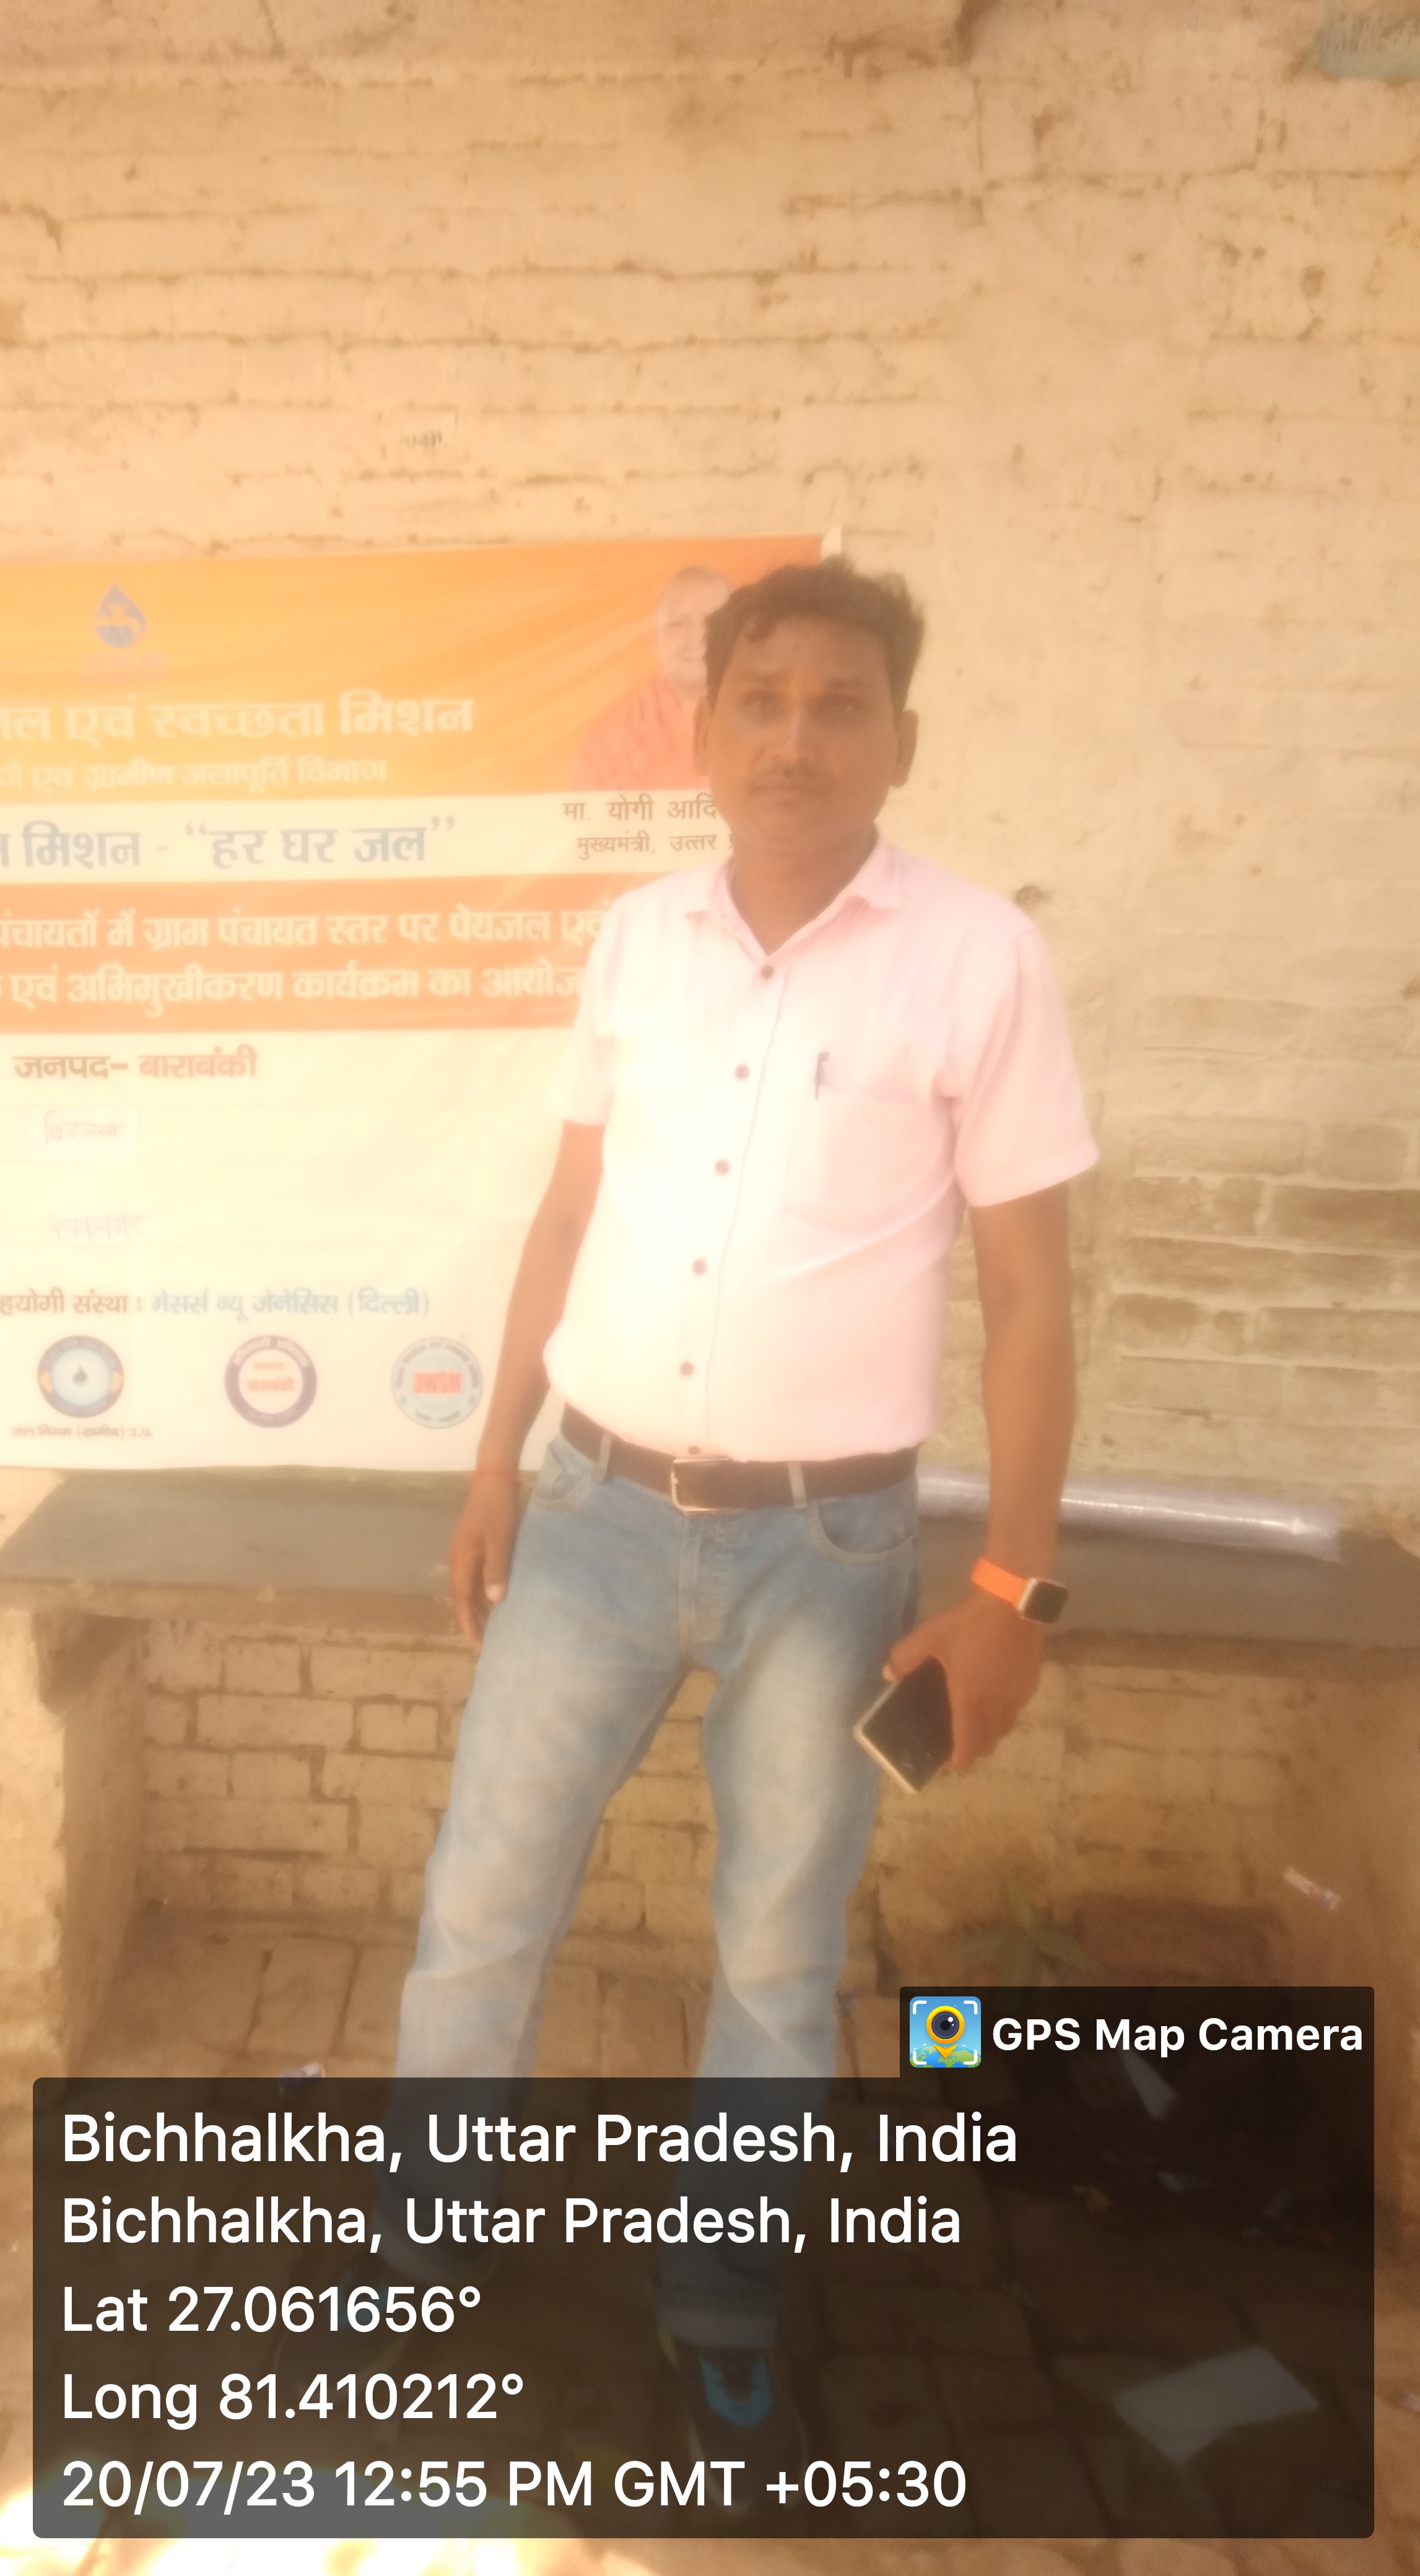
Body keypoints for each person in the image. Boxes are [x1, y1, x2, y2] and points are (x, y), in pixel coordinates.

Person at [378, 559, 1098, 2495]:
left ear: (900, 741)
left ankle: (716, 2309)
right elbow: (567, 1213)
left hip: (827, 1554)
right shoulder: (636, 942)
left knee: (778, 1952)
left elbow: (1031, 1291)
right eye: (759, 699)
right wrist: (492, 1460)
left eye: (838, 703)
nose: (794, 736)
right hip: (593, 1514)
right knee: (479, 1899)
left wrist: (1013, 1590)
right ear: (702, 733)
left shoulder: (976, 962)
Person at [571, 564, 731, 791]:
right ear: (657, 639)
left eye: (713, 623)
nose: (696, 639)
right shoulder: (609, 742)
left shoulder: (765, 723)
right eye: (678, 625)